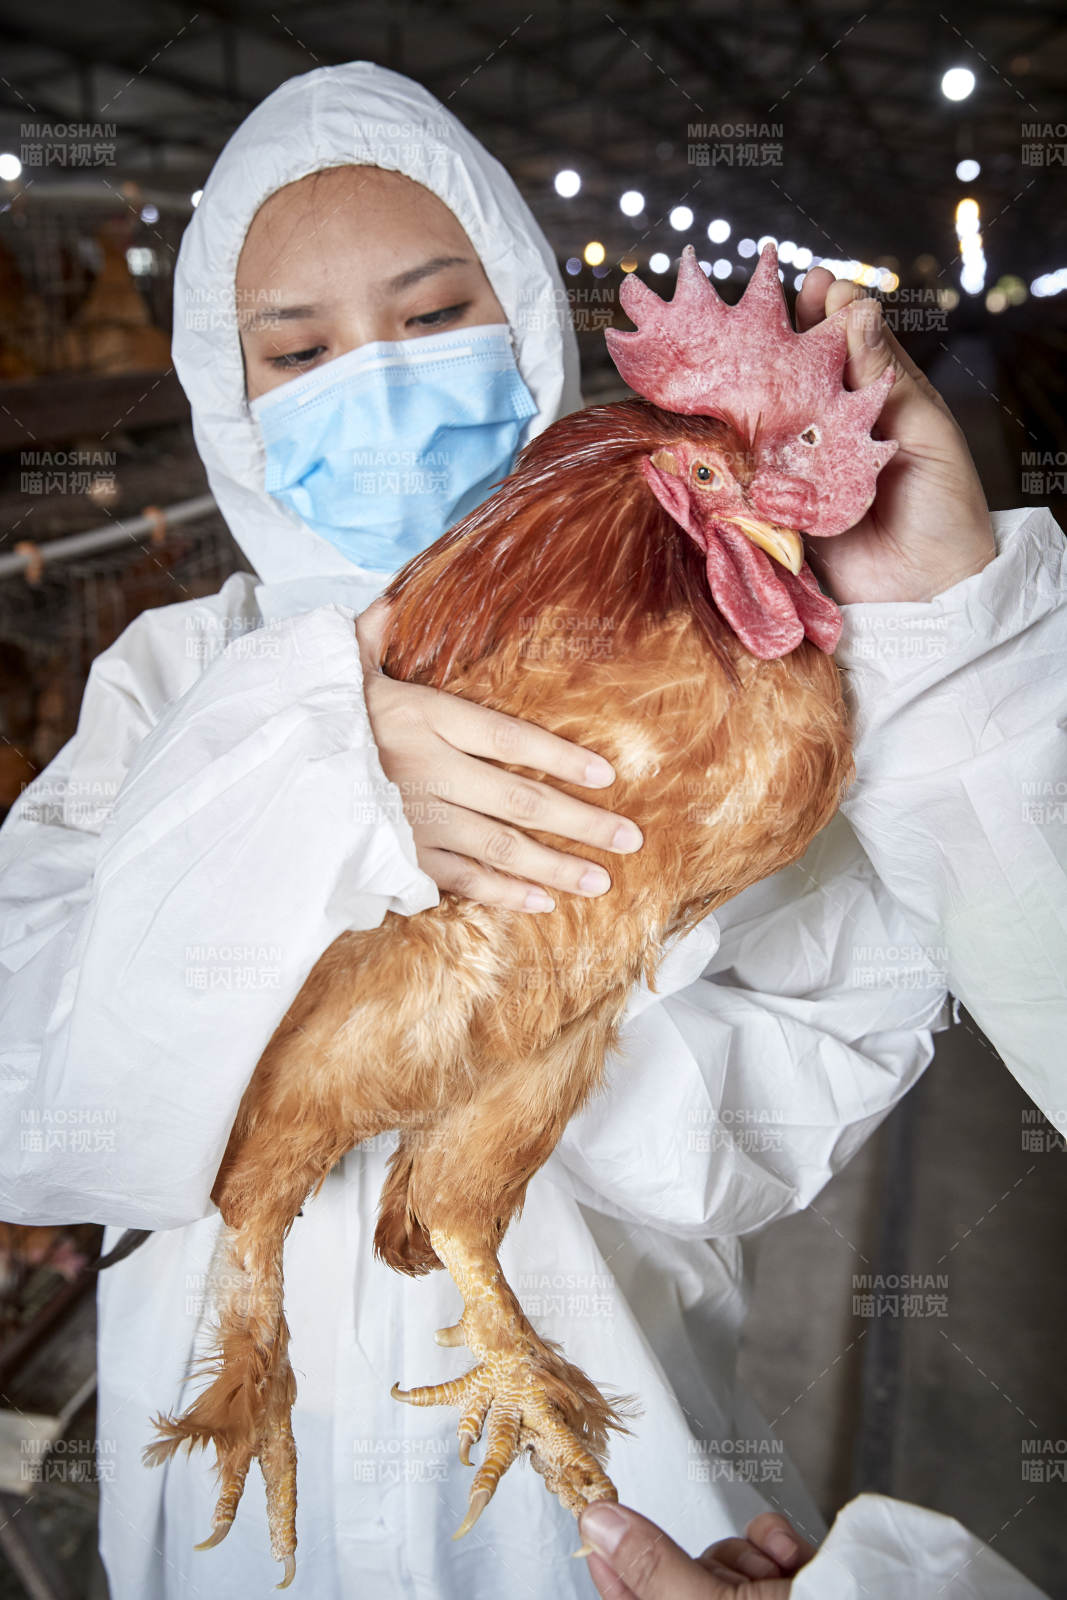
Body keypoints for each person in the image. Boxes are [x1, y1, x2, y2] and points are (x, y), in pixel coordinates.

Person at [0, 59, 1061, 1599]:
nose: (371, 378)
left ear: (526, 312)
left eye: (437, 318)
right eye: (293, 350)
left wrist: (522, 989)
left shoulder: (734, 686)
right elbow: (26, 1105)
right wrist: (305, 792)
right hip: (226, 1496)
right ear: (227, 398)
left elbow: (806, 1085)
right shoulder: (172, 677)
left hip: (596, 1475)